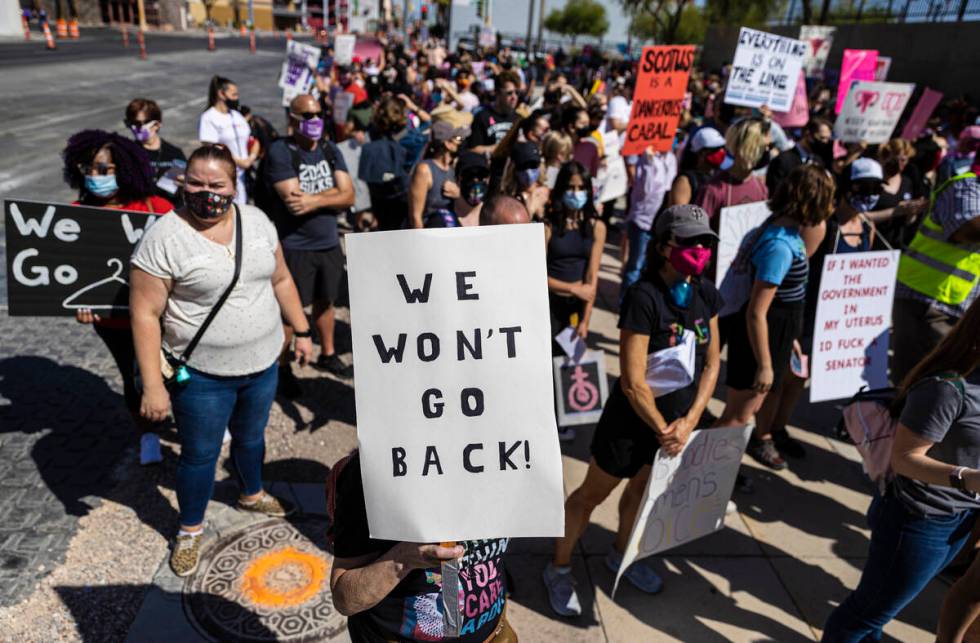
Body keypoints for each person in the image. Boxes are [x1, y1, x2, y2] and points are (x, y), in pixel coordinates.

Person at [130, 143, 315, 577]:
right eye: (196, 182)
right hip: (201, 377)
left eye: (217, 184)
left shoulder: (257, 222)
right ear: (181, 182)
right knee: (199, 454)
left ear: (234, 186)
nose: (205, 192)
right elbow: (145, 313)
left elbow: (282, 279)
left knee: (251, 438)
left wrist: (301, 329)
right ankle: (190, 530)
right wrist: (154, 386)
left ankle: (251, 493)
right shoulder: (164, 238)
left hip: (263, 363)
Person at [544, 204, 722, 616]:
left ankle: (620, 553)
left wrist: (690, 421)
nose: (699, 250)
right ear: (663, 246)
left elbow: (712, 362)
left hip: (674, 427)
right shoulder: (644, 298)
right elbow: (632, 380)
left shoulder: (705, 293)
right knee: (591, 496)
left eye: (705, 243)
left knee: (641, 493)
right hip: (633, 424)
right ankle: (558, 566)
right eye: (690, 242)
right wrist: (665, 428)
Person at [822, 298, 980, 642]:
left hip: (962, 518)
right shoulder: (948, 387)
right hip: (920, 520)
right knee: (866, 613)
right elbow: (905, 459)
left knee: (881, 607)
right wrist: (967, 478)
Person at [765, 160, 892, 460]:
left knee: (799, 381)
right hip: (806, 316)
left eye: (877, 188)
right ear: (847, 188)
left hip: (833, 322)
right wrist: (796, 326)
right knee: (783, 379)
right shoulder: (824, 225)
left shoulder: (867, 227)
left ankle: (779, 427)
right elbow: (799, 273)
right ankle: (763, 433)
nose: (871, 194)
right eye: (864, 188)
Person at [62, 129, 174, 466]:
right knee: (133, 376)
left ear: (124, 169)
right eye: (89, 168)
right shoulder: (72, 216)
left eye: (104, 169)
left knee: (179, 372)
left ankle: (194, 420)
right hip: (114, 321)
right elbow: (69, 275)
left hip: (165, 316)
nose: (95, 176)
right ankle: (148, 432)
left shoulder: (157, 207)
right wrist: (80, 306)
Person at [714, 165, 836, 470]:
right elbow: (757, 310)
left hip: (778, 332)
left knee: (740, 415)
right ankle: (699, 475)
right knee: (737, 417)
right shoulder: (779, 246)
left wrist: (790, 338)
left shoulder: (785, 231)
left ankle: (718, 475)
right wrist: (766, 366)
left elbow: (785, 298)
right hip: (760, 339)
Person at [263, 94, 356, 393]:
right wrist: (332, 196)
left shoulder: (329, 149)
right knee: (290, 311)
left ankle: (328, 353)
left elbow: (350, 195)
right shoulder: (280, 151)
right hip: (296, 245)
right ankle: (282, 366)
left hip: (328, 242)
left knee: (326, 301)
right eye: (307, 116)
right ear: (292, 118)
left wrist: (315, 198)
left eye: (318, 114)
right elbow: (294, 202)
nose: (314, 121)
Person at [892, 163, 980, 382]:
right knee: (918, 382)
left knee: (944, 385)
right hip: (927, 300)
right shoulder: (966, 186)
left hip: (957, 304)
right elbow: (968, 230)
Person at [621, 146, 678, 298]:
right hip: (643, 220)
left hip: (660, 223)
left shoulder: (671, 158)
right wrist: (648, 162)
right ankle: (625, 302)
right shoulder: (645, 158)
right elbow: (646, 189)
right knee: (635, 266)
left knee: (651, 266)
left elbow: (670, 187)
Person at [198, 76, 259, 206]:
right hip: (225, 175)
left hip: (245, 174)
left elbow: (253, 140)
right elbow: (212, 148)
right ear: (221, 93)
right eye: (234, 94)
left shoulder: (236, 115)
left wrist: (250, 158)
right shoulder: (209, 117)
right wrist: (239, 162)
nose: (237, 98)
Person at [359, 96, 411, 231]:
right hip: (401, 205)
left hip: (380, 205)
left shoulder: (369, 144)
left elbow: (362, 181)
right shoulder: (412, 141)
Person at [124, 98, 187, 203]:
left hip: (169, 211)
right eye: (130, 123)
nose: (134, 128)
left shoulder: (175, 154)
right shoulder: (126, 153)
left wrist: (185, 185)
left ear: (156, 125)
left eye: (139, 124)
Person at [407, 120, 467, 228]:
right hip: (431, 233)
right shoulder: (424, 170)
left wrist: (458, 195)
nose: (461, 142)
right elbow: (415, 216)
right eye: (457, 138)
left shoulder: (452, 169)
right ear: (447, 144)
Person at [764, 117, 832, 195]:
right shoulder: (783, 160)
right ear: (808, 134)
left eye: (828, 139)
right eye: (822, 138)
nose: (825, 142)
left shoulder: (819, 161)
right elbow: (775, 192)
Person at [668, 126, 727, 207]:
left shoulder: (720, 176)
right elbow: (679, 217)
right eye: (715, 149)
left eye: (723, 148)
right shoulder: (686, 181)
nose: (721, 152)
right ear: (701, 153)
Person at [466, 70, 520, 155]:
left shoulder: (518, 118)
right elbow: (473, 149)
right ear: (497, 93)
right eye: (509, 93)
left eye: (517, 92)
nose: (514, 97)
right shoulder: (482, 117)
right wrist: (500, 148)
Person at [499, 142, 549, 220]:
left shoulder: (548, 194)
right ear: (513, 170)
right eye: (522, 166)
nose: (528, 171)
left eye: (533, 164)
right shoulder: (508, 199)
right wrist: (530, 210)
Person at [454, 151, 490, 226]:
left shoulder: (493, 217)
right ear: (457, 179)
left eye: (481, 174)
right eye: (469, 175)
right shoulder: (443, 220)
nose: (475, 180)